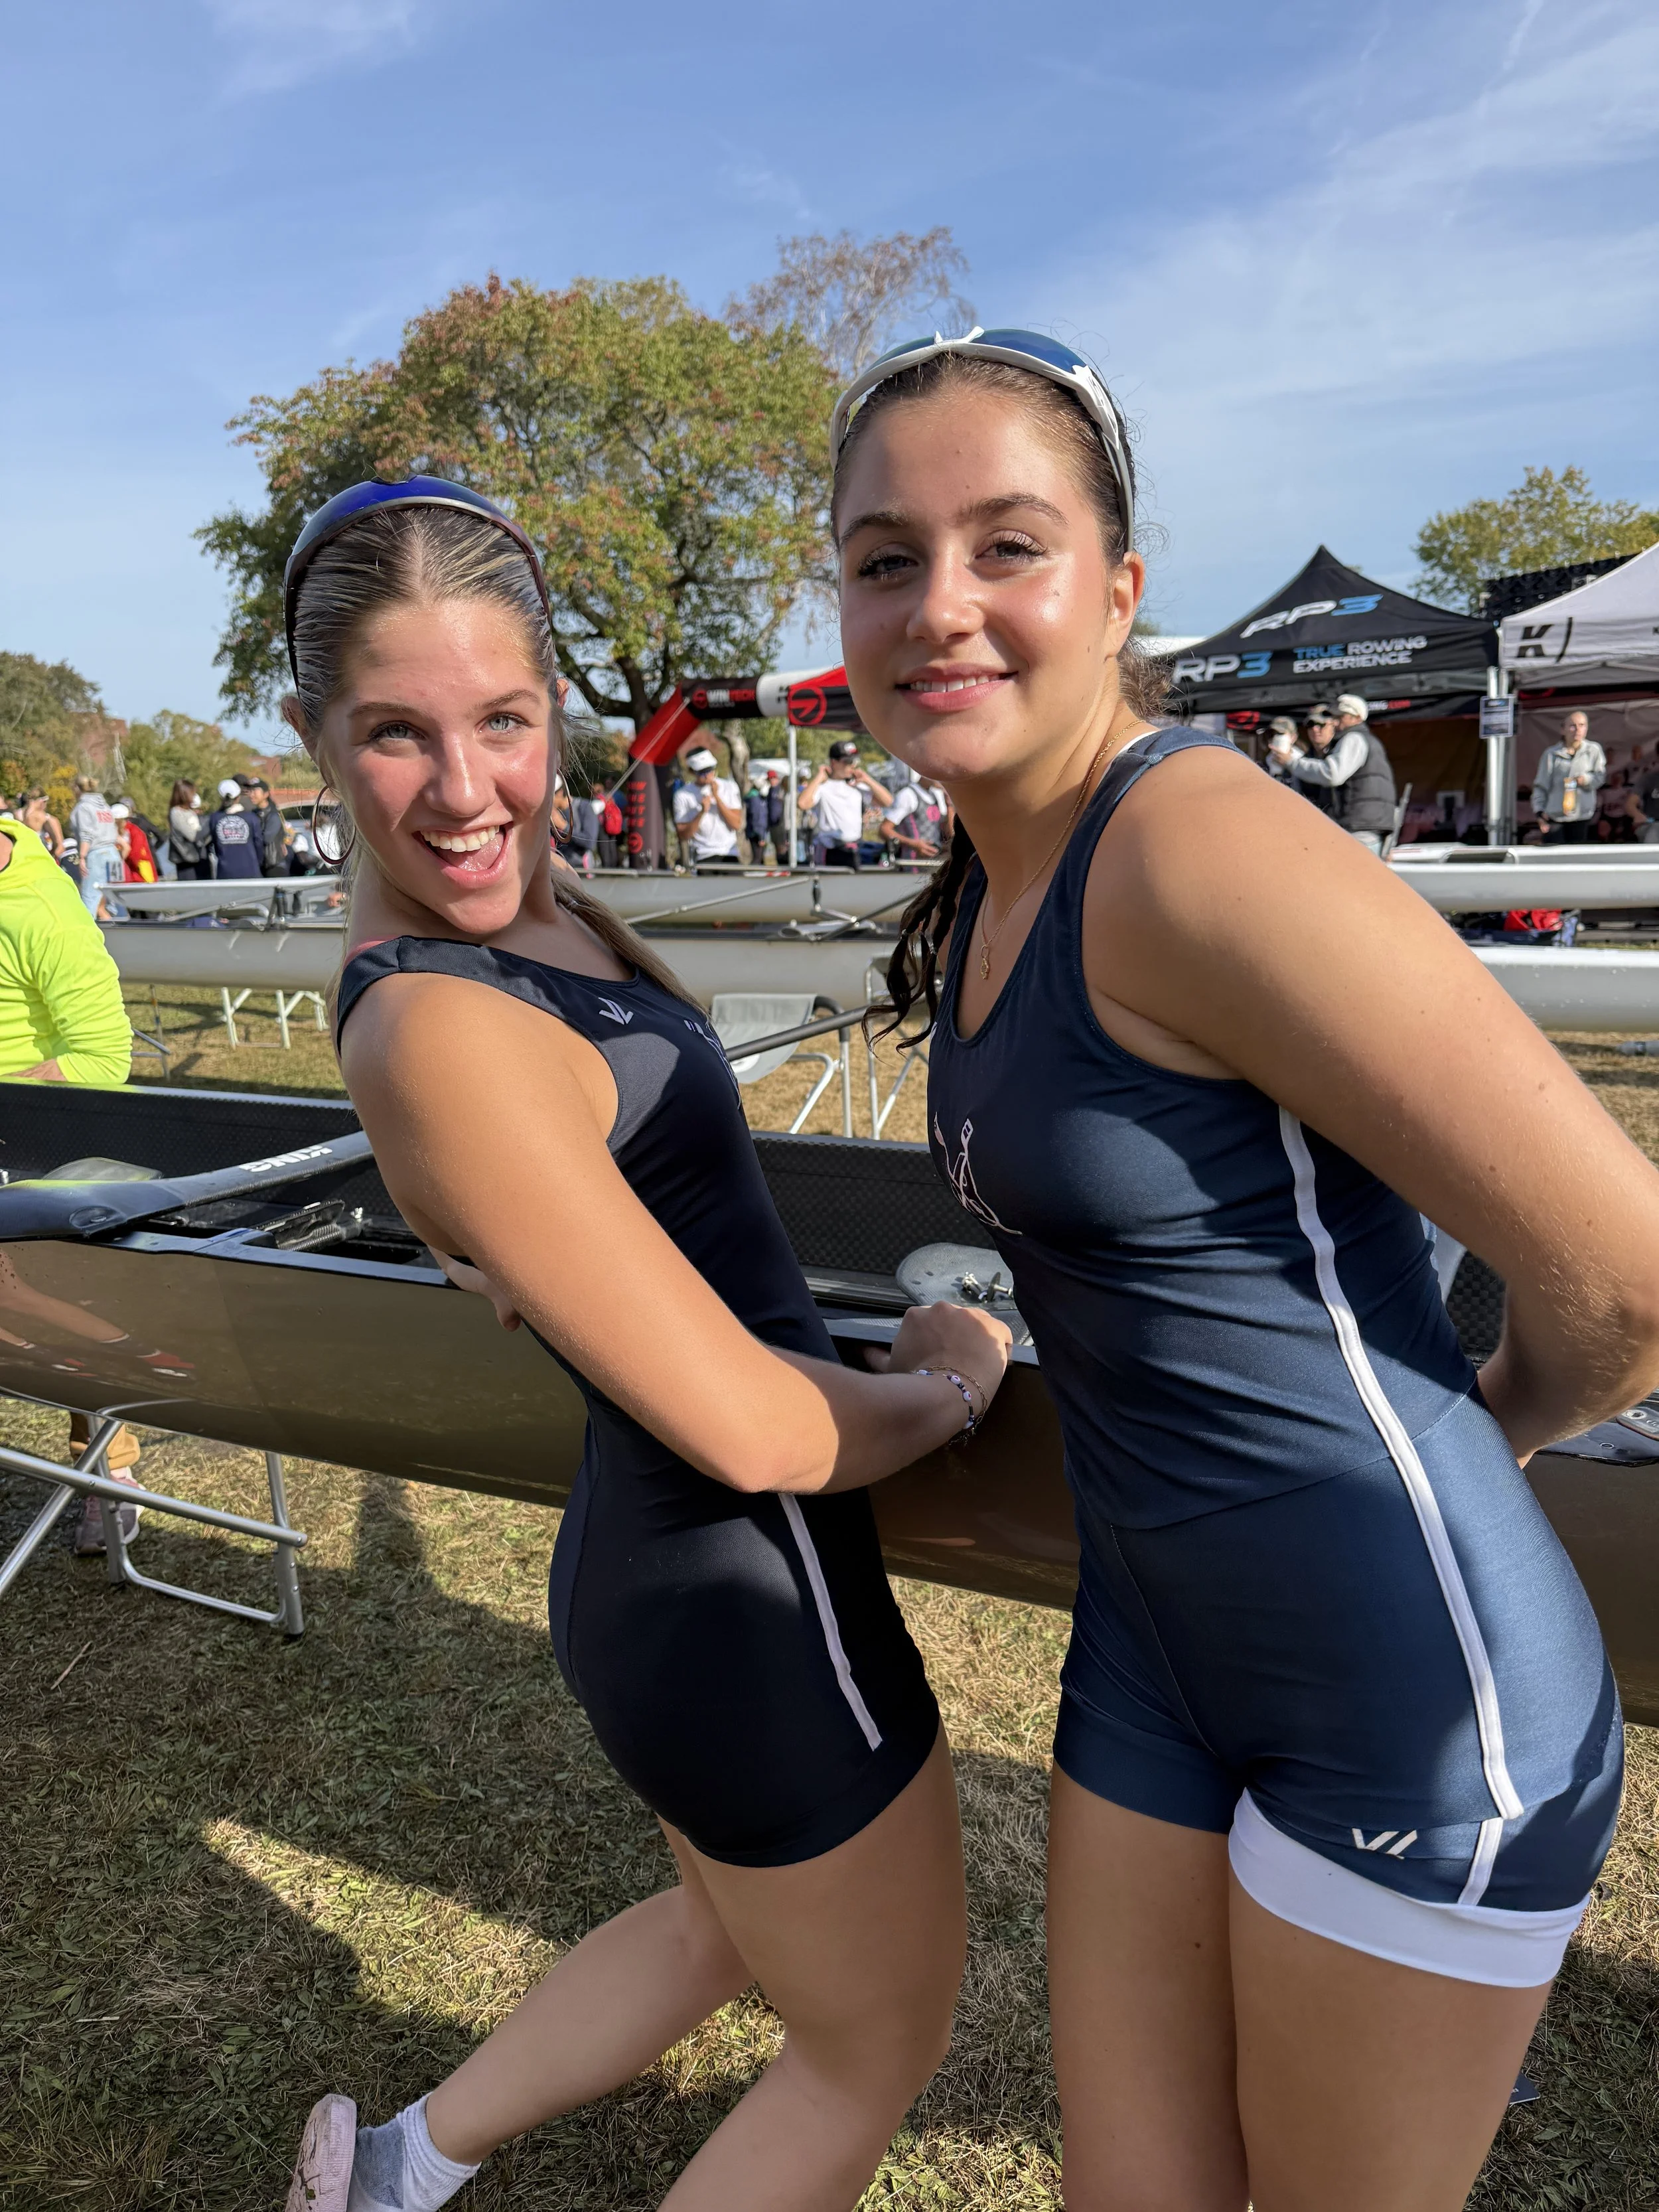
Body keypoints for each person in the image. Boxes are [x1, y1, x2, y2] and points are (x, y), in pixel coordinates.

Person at [830, 327, 1652, 2210]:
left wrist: (1476, 1449)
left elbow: (1622, 1275)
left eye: (1003, 545)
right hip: (1151, 1646)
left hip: (1407, 1688)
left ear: (1118, 590)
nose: (937, 605)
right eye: (886, 557)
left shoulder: (1190, 839)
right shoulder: (991, 871)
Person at [276, 477, 1010, 2212]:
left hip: (667, 1573)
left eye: (504, 722)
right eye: (396, 735)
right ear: (315, 736)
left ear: (552, 709)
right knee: (867, 2048)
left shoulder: (536, 914)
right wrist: (956, 1372)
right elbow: (758, 1428)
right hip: (748, 1586)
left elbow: (587, 1241)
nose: (465, 791)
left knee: (717, 1927)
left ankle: (397, 2167)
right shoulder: (439, 1015)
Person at [1269, 695, 1396, 851]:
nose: (1335, 721)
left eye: (1340, 716)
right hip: (1364, 827)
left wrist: (1291, 762)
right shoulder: (1366, 741)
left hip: (1358, 829)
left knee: (1349, 875)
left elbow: (1333, 774)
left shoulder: (1354, 738)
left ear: (1356, 717)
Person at [801, 740, 891, 869]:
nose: (852, 766)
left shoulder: (858, 786)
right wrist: (819, 778)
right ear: (834, 762)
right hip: (831, 849)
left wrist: (867, 780)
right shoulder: (823, 787)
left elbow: (888, 802)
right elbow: (802, 804)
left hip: (855, 847)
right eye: (847, 762)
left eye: (854, 761)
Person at [1531, 710, 1606, 844]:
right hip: (1555, 816)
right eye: (1573, 726)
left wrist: (1586, 780)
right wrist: (1539, 811)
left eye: (1582, 725)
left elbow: (1600, 777)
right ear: (1563, 729)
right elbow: (1541, 785)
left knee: (1578, 858)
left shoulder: (1593, 750)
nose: (1577, 730)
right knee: (1555, 858)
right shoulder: (1551, 754)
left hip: (1583, 815)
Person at [671, 744, 744, 866]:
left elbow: (736, 824)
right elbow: (683, 834)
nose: (708, 775)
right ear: (692, 772)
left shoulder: (729, 787)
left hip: (730, 853)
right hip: (703, 855)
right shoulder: (682, 795)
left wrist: (717, 797)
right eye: (702, 772)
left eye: (711, 770)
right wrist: (702, 812)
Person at [67, 773, 123, 917]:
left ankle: (87, 934)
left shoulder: (83, 808)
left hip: (97, 854)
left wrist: (82, 857)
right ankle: (122, 926)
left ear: (77, 788)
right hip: (113, 853)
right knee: (115, 899)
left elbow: (87, 834)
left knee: (90, 898)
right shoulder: (104, 806)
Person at [206, 778, 261, 879]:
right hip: (251, 871)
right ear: (239, 797)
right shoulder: (252, 818)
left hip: (225, 872)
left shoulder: (215, 818)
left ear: (221, 798)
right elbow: (258, 845)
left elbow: (215, 845)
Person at [237, 774, 291, 875]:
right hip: (259, 866)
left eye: (255, 791)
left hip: (274, 866)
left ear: (266, 794)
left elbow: (266, 839)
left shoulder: (274, 815)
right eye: (250, 791)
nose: (251, 794)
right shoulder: (253, 814)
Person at [166, 780, 211, 879]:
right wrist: (212, 821)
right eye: (192, 793)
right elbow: (192, 836)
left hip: (200, 857)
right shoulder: (176, 813)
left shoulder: (190, 812)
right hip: (187, 860)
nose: (194, 796)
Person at [112, 804, 159, 883]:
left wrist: (124, 851)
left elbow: (135, 855)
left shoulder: (135, 832)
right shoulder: (113, 832)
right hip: (122, 872)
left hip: (140, 874)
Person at [18, 787, 64, 858]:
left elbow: (59, 846)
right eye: (45, 802)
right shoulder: (20, 815)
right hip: (30, 857)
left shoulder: (49, 819)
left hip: (42, 857)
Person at [743, 773, 772, 865]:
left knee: (760, 858)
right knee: (757, 857)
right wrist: (761, 836)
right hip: (756, 833)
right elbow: (757, 818)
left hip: (758, 832)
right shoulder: (755, 798)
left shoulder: (759, 798)